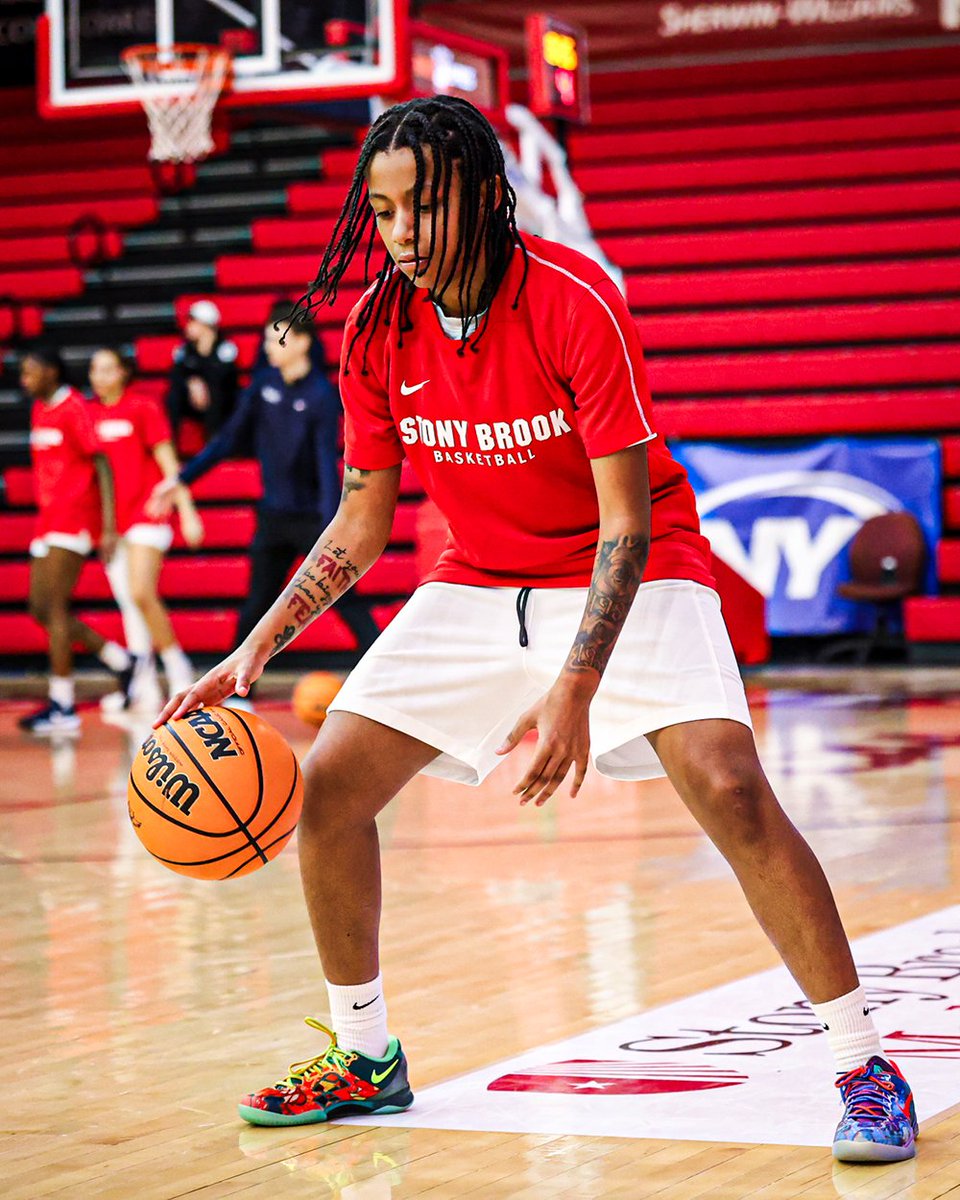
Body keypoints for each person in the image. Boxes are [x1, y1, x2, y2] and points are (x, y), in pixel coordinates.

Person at [156, 97, 917, 1162]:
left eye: (422, 205)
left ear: (482, 194)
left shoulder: (573, 299)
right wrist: (255, 646)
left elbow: (627, 521)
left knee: (731, 786)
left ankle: (865, 1065)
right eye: (383, 212)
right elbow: (361, 522)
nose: (402, 233)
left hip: (634, 563)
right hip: (479, 578)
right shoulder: (376, 328)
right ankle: (365, 1056)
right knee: (328, 790)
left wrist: (572, 685)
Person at [150, 300, 379, 686]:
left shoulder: (322, 396)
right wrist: (182, 478)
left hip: (312, 520)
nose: (269, 348)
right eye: (268, 341)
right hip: (273, 517)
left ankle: (383, 678)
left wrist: (332, 528)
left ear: (302, 342)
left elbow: (327, 465)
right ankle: (234, 690)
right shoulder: (262, 385)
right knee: (256, 606)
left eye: (277, 340)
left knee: (345, 599)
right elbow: (226, 440)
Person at [19, 345, 135, 734]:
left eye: (30, 371)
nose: (24, 380)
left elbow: (102, 463)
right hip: (47, 520)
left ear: (51, 371)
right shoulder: (39, 409)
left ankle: (63, 705)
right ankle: (120, 660)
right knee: (38, 608)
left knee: (54, 608)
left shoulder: (73, 408)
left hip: (74, 519)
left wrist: (108, 527)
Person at [88, 347, 202, 710]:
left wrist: (187, 511)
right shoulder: (88, 415)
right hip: (111, 523)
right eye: (95, 369)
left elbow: (169, 463)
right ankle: (144, 685)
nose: (100, 376)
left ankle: (179, 669)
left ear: (124, 372)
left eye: (108, 369)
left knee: (140, 592)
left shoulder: (143, 408)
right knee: (128, 604)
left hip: (148, 511)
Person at [166, 299, 238, 442]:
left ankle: (214, 445)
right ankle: (169, 444)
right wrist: (191, 382)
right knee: (173, 396)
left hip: (222, 403)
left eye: (193, 322)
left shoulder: (226, 348)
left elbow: (226, 379)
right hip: (193, 401)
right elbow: (175, 376)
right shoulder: (184, 350)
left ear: (206, 325)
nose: (188, 326)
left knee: (215, 392)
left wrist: (203, 381)